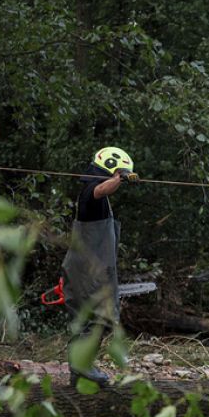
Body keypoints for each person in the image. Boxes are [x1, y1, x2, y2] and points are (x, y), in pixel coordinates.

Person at [62, 146, 136, 386]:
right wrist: (119, 178)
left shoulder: (92, 197)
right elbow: (100, 189)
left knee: (86, 318)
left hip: (87, 266)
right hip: (88, 269)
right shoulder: (91, 193)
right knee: (101, 316)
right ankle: (81, 364)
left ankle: (77, 371)